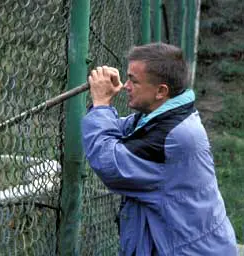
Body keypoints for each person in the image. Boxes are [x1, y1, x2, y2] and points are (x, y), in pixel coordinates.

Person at [81, 42, 237, 255]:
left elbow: (110, 163)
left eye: (133, 81)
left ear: (161, 91)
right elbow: (120, 130)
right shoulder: (167, 115)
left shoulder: (171, 137)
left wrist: (101, 105)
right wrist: (101, 109)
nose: (126, 86)